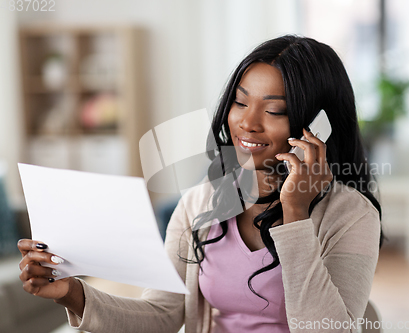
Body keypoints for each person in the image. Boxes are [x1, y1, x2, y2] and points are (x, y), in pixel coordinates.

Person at [18, 35, 384, 333]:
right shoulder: (200, 203)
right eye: (240, 103)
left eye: (274, 110)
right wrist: (72, 293)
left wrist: (296, 214)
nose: (248, 123)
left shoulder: (352, 215)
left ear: (319, 125)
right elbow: (162, 314)